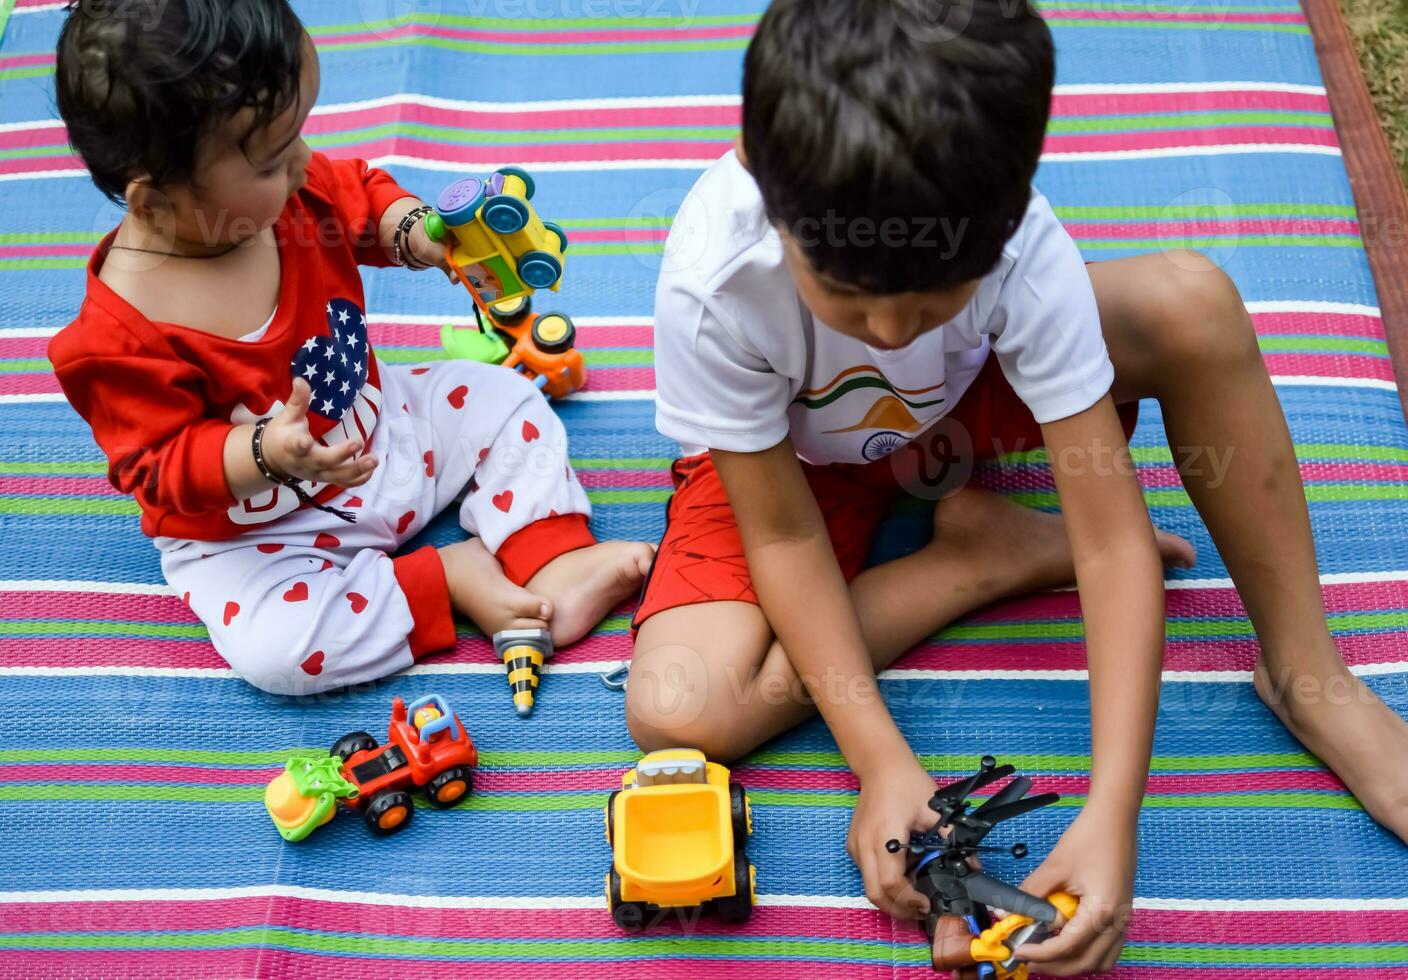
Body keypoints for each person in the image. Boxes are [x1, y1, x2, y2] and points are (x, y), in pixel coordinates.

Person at [627, 0, 1408, 974]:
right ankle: (979, 557)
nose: (886, 331)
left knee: (1192, 307)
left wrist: (1111, 807)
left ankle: (1308, 676)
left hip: (964, 408)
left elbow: (1114, 540)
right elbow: (781, 536)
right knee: (675, 703)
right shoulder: (715, 277)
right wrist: (881, 758)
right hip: (791, 457)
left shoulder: (1018, 243)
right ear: (768, 196)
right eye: (847, 296)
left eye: (930, 298)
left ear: (1009, 210)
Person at [48, 0, 653, 695]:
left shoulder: (291, 198)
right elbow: (156, 465)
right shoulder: (115, 337)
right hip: (259, 534)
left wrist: (423, 236)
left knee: (508, 398)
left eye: (298, 136)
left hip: (383, 431)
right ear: (153, 203)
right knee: (278, 654)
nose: (305, 163)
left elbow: (363, 201)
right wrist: (263, 453)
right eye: (276, 158)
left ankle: (549, 556)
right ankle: (446, 581)